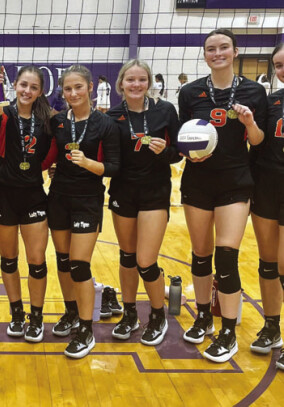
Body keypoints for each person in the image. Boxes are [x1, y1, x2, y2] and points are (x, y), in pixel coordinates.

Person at [178, 29, 267, 363]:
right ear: (205, 55)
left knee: (226, 257)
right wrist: (187, 152)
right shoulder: (190, 92)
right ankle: (203, 316)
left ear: (235, 51)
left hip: (235, 182)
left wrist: (249, 122)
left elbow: (257, 141)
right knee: (201, 254)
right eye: (211, 49)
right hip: (198, 182)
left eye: (224, 47)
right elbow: (182, 138)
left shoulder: (254, 91)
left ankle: (228, 332)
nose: (218, 53)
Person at [42, 64, 120, 358]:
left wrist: (88, 163)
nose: (73, 93)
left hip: (88, 199)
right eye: (67, 89)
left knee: (79, 264)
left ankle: (87, 330)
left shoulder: (105, 124)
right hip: (59, 196)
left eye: (78, 87)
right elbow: (50, 154)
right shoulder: (58, 122)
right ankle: (72, 312)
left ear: (90, 87)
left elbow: (113, 167)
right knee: (63, 261)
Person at [107, 59, 181, 346]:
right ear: (121, 84)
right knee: (127, 258)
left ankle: (158, 315)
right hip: (123, 192)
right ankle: (129, 315)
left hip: (154, 193)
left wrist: (165, 152)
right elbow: (109, 158)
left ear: (148, 83)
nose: (136, 85)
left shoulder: (165, 110)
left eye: (141, 80)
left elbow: (178, 151)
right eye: (130, 80)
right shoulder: (112, 116)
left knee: (146, 261)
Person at [0, 66, 51, 342]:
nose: (27, 91)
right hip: (4, 195)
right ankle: (16, 312)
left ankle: (36, 316)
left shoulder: (47, 119)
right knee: (8, 259)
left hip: (34, 194)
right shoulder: (5, 113)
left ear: (40, 91)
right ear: (15, 85)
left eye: (33, 87)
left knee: (36, 260)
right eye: (23, 85)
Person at [250, 43, 284, 371]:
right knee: (268, 263)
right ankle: (272, 327)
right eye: (278, 65)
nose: (282, 69)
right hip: (267, 188)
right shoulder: (271, 102)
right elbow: (257, 142)